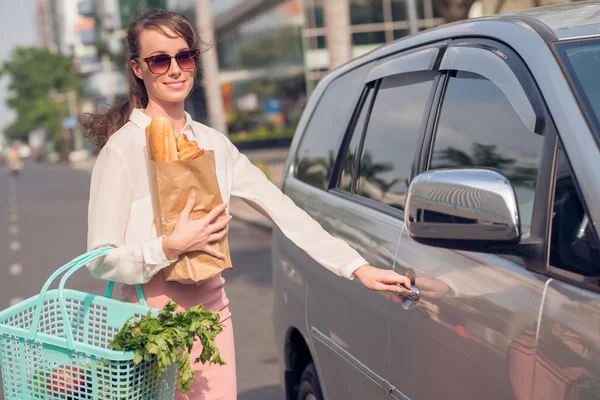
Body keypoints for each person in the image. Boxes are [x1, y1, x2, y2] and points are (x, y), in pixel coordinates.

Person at [83, 8, 411, 399]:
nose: (174, 69)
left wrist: (356, 267)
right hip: (150, 325)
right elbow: (99, 258)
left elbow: (283, 210)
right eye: (159, 60)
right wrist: (169, 246)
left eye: (184, 56)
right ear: (138, 69)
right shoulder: (122, 150)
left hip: (213, 316)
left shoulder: (213, 144)